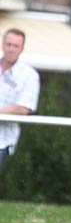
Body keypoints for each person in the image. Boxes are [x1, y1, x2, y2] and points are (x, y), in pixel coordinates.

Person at [0, 28, 40, 174]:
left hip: (2, 141)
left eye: (16, 46)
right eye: (8, 44)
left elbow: (23, 108)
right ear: (2, 44)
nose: (11, 49)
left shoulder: (29, 75)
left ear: (22, 49)